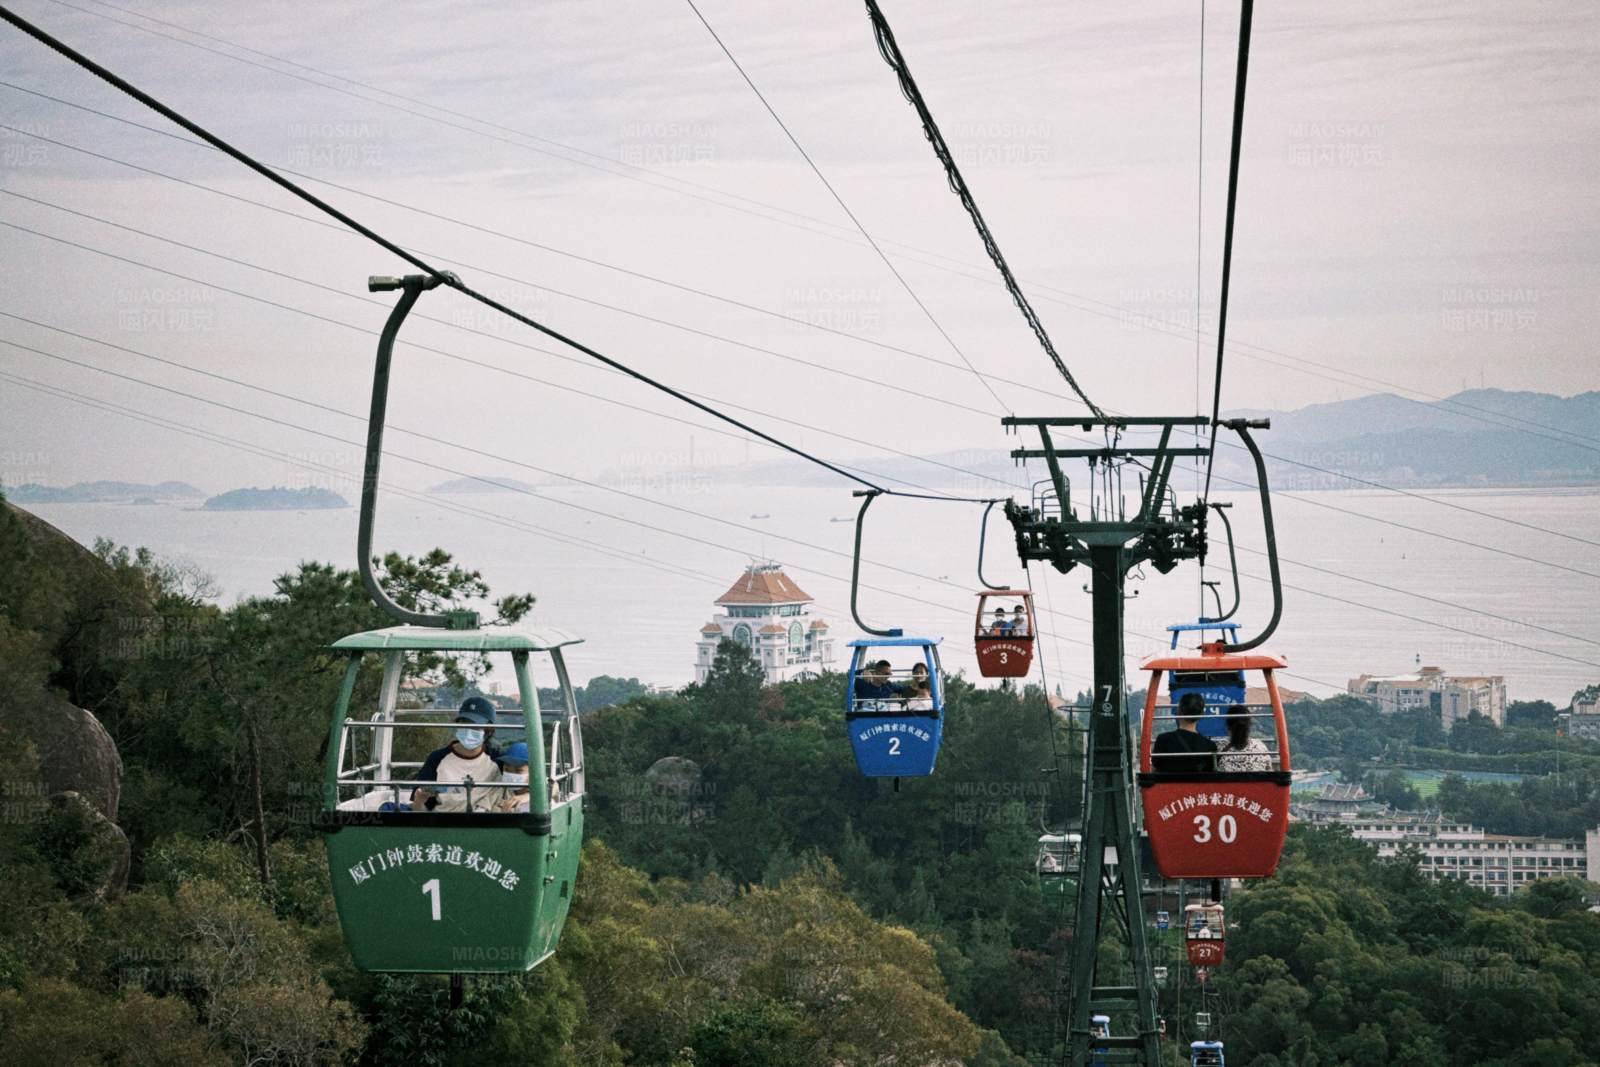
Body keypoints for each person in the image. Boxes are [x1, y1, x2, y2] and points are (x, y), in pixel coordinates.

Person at [411, 696, 503, 812]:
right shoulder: (437, 759)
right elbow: (420, 811)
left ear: (489, 730)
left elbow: (518, 783)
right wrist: (419, 800)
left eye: (475, 725)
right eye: (464, 723)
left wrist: (524, 796)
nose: (468, 729)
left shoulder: (497, 760)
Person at [1151, 692, 1217, 773]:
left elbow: (1154, 770)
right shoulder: (1210, 746)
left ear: (1179, 711)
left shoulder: (1163, 740)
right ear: (1201, 714)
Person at [1216, 704, 1272, 771]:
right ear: (1249, 725)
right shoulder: (1261, 748)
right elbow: (1269, 772)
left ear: (1228, 726)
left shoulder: (1219, 747)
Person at [494, 741, 532, 813]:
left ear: (533, 772)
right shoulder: (498, 789)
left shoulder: (541, 787)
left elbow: (553, 789)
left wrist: (530, 796)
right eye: (507, 769)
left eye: (518, 770)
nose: (511, 774)